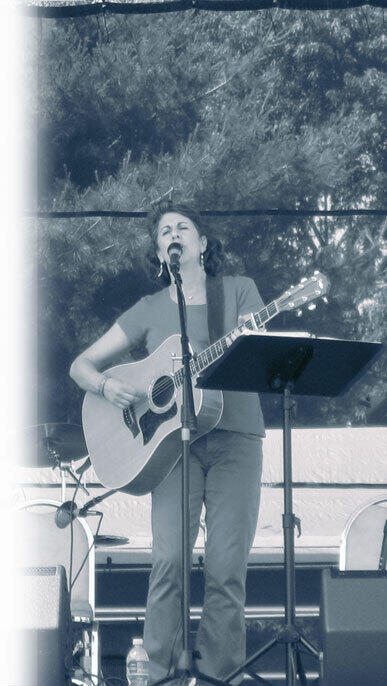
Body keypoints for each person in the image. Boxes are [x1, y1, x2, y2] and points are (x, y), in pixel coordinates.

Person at [70, 201, 266, 682]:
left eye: (183, 228)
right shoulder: (147, 309)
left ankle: (221, 674)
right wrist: (106, 387)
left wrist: (215, 356)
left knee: (226, 566)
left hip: (236, 438)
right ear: (160, 252)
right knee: (170, 562)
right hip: (171, 446)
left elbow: (259, 353)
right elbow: (81, 366)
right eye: (164, 231)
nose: (173, 234)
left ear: (202, 244)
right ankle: (159, 674)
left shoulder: (238, 291)